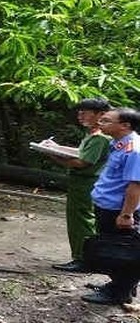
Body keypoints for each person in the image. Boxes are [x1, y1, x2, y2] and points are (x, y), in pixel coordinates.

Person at [43, 98, 111, 272]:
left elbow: (82, 162)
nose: (80, 115)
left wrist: (53, 155)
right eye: (79, 112)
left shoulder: (100, 138)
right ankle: (86, 258)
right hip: (83, 183)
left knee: (81, 220)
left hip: (86, 183)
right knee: (81, 219)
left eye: (85, 112)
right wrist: (57, 147)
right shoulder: (93, 134)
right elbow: (81, 152)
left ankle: (83, 259)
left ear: (100, 115)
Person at [80, 107, 140, 305]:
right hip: (108, 206)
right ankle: (121, 286)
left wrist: (126, 214)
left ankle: (118, 292)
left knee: (124, 250)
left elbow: (135, 185)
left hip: (119, 210)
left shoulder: (134, 150)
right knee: (114, 249)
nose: (100, 123)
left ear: (125, 125)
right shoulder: (118, 144)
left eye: (106, 121)